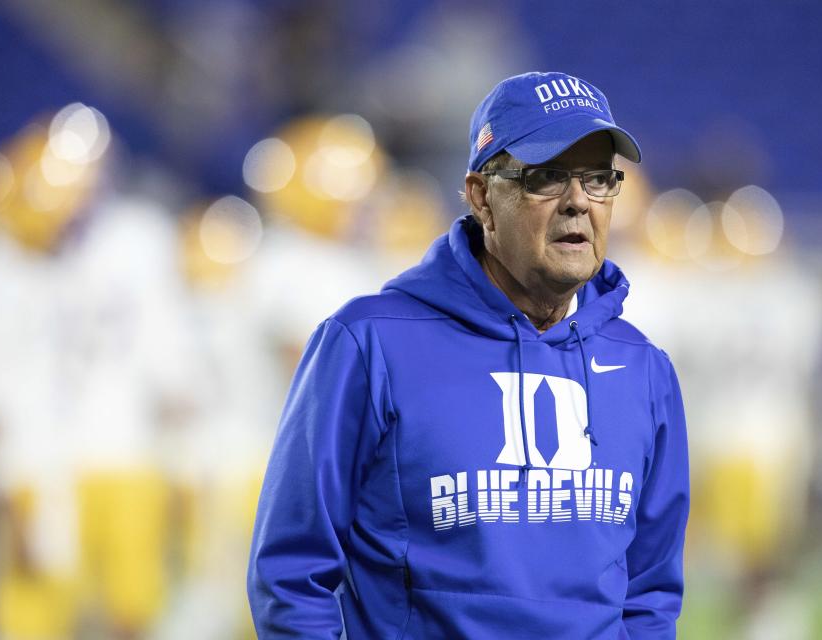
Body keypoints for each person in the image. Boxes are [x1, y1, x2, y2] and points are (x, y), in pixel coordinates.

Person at [248, 71, 690, 639]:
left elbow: (650, 595)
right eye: (548, 178)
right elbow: (292, 572)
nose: (579, 202)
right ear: (482, 195)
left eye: (599, 179)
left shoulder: (643, 369)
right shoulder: (371, 342)